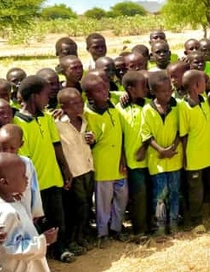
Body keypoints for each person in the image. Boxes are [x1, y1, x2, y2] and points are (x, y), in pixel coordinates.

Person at [14, 76, 74, 262]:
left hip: (53, 178)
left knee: (58, 218)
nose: (49, 100)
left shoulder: (47, 118)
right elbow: (23, 159)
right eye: (46, 95)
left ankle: (61, 249)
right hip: (34, 184)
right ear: (34, 97)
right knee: (38, 220)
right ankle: (41, 254)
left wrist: (66, 170)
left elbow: (56, 146)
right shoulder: (18, 123)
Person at [83, 72, 127, 245]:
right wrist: (91, 140)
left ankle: (117, 228)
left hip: (118, 164)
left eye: (105, 88)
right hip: (102, 166)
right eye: (99, 91)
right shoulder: (88, 115)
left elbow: (120, 136)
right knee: (103, 203)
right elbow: (88, 140)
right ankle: (103, 233)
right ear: (89, 96)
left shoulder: (113, 106)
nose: (105, 92)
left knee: (121, 198)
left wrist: (123, 157)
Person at [140, 72, 182, 235]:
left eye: (169, 90)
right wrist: (161, 150)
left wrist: (172, 147)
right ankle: (160, 226)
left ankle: (173, 223)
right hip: (156, 160)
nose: (168, 94)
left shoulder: (177, 106)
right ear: (154, 92)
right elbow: (146, 134)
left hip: (174, 157)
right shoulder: (147, 110)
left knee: (174, 192)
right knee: (160, 194)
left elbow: (181, 129)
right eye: (163, 92)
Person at [178, 70, 210, 231]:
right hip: (194, 156)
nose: (207, 83)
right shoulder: (183, 106)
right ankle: (196, 221)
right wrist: (184, 156)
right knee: (196, 190)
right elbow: (183, 135)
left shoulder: (204, 101)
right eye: (204, 81)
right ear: (196, 86)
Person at [55, 87, 94, 253]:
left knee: (86, 206)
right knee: (76, 207)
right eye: (75, 103)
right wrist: (65, 173)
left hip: (88, 168)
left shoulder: (84, 120)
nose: (81, 105)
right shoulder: (57, 123)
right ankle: (71, 240)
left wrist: (91, 139)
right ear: (63, 107)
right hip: (73, 172)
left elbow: (88, 142)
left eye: (81, 101)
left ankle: (81, 237)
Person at [117, 71, 151, 237]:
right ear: (130, 89)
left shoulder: (151, 105)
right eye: (143, 86)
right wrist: (122, 157)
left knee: (152, 193)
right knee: (139, 196)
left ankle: (153, 225)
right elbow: (119, 136)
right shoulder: (119, 109)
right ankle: (140, 230)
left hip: (153, 160)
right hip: (133, 161)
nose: (147, 88)